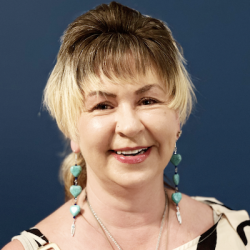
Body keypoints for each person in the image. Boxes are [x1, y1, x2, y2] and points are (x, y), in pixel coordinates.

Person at [3, 2, 250, 250]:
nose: (130, 126)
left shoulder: (240, 236)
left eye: (147, 101)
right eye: (102, 105)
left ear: (177, 118)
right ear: (72, 129)